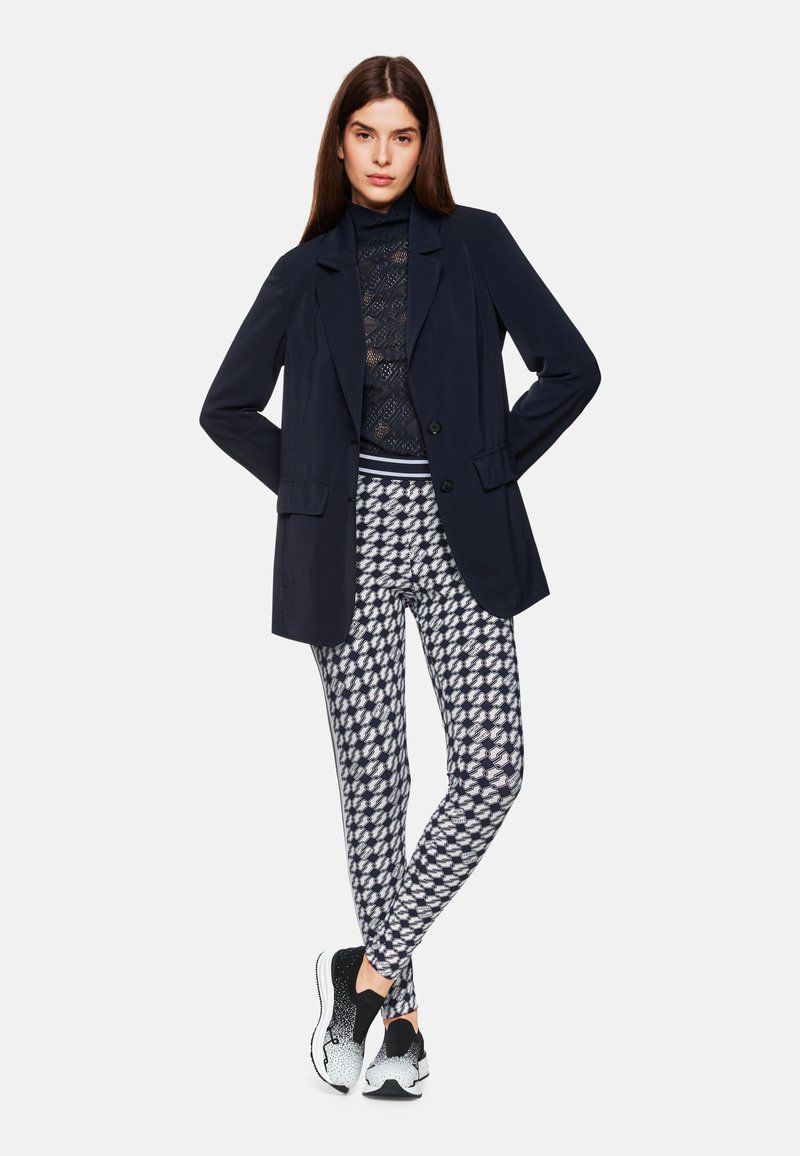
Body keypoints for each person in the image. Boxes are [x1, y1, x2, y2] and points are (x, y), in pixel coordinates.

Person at [199, 55, 601, 1099]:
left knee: (493, 770)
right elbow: (226, 408)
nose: (383, 154)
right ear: (339, 145)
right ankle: (406, 1029)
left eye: (402, 135)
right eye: (365, 134)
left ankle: (365, 973)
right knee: (377, 783)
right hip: (349, 536)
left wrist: (489, 464)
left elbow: (572, 368)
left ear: (425, 146)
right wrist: (316, 488)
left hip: (461, 522)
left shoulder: (476, 243)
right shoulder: (304, 272)